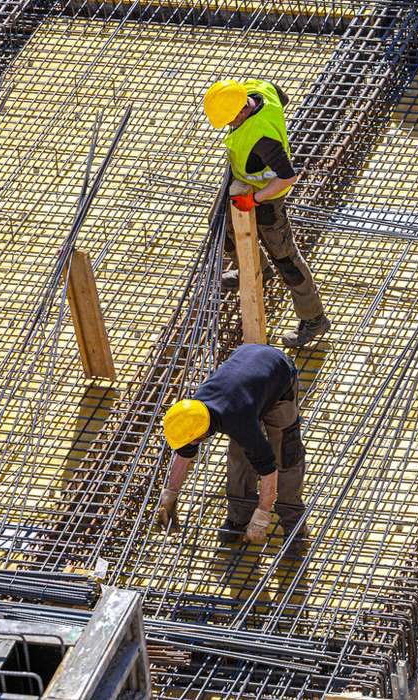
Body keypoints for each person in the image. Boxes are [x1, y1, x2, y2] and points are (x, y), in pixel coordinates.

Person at [202, 78, 329, 348]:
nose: (229, 126)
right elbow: (281, 99)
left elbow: (288, 177)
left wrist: (256, 199)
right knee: (222, 225)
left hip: (268, 199)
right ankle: (257, 269)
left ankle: (314, 319)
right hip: (245, 186)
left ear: (242, 110)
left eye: (230, 121)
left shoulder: (263, 140)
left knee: (286, 259)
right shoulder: (258, 90)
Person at [157, 343, 307, 548]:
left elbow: (269, 470)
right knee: (239, 459)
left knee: (285, 453)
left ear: (202, 432)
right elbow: (184, 455)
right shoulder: (192, 413)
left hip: (278, 377)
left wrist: (262, 514)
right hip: (246, 379)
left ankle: (294, 524)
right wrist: (170, 493)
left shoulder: (238, 421)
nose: (191, 444)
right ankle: (239, 517)